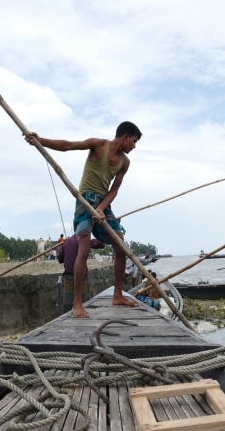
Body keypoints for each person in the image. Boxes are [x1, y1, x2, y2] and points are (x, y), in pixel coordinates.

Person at [26, 121, 142, 317]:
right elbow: (68, 145)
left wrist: (101, 209)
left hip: (103, 205)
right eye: (134, 141)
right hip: (84, 201)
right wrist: (40, 141)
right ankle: (77, 303)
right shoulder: (98, 145)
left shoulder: (125, 163)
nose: (134, 146)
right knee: (84, 248)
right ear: (125, 136)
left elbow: (113, 190)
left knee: (121, 247)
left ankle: (118, 295)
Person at [57, 234, 105, 313]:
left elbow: (60, 259)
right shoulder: (83, 240)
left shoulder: (67, 242)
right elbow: (102, 244)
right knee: (81, 302)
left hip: (68, 276)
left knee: (68, 304)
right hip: (81, 277)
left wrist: (63, 246)